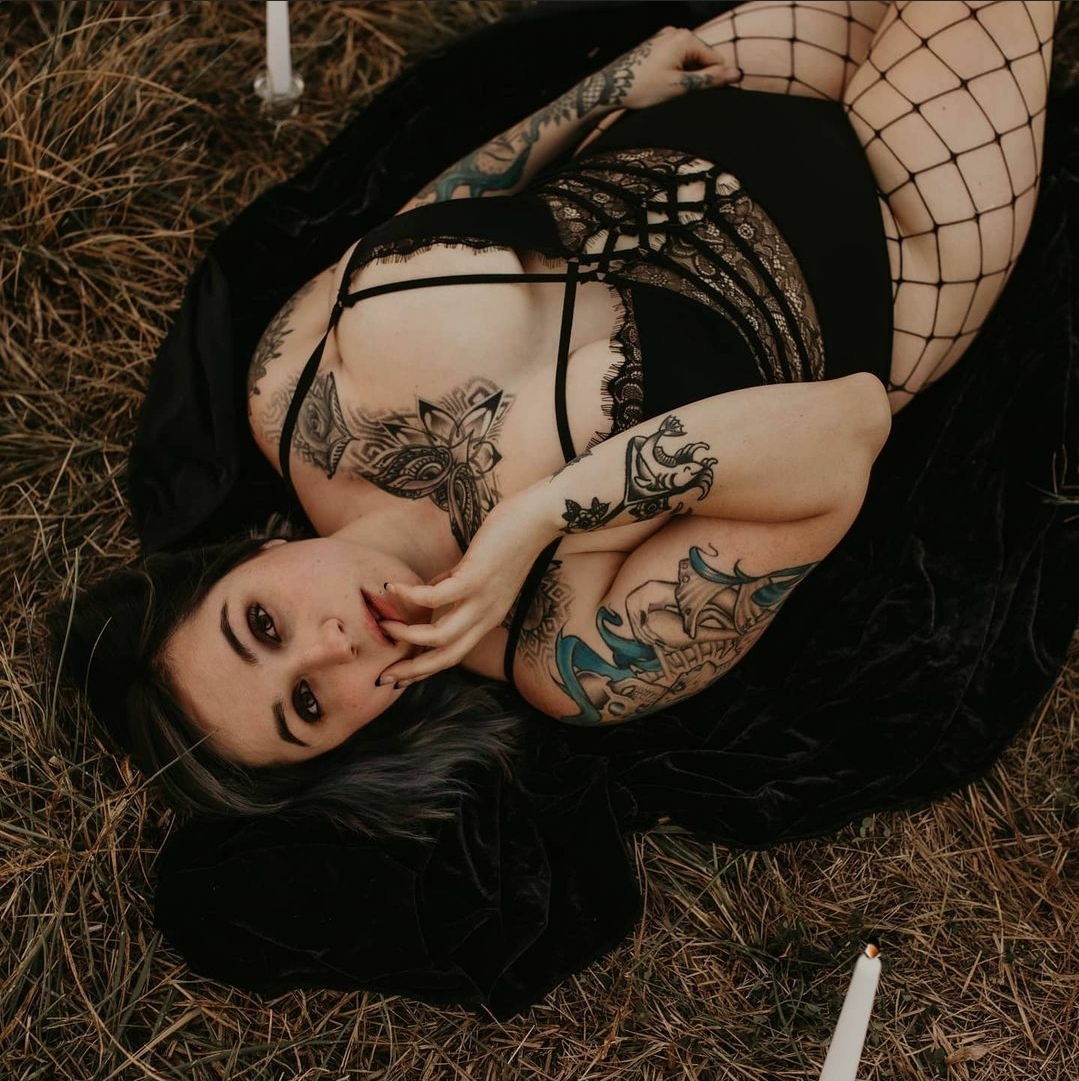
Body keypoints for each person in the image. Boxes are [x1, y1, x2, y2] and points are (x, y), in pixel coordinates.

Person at [57, 1, 1061, 833]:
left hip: (718, 93)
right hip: (892, 240)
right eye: (308, 705)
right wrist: (543, 516)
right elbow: (847, 429)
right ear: (358, 740)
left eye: (262, 624)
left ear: (248, 556)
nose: (328, 644)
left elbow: (438, 211)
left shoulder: (286, 391)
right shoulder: (574, 659)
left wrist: (601, 94)